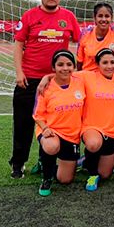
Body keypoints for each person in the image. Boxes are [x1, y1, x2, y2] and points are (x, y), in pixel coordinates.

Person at [10, 0, 80, 179]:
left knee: (56, 123)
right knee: (23, 123)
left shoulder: (68, 16)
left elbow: (80, 42)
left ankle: (45, 159)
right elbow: (18, 44)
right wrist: (19, 72)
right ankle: (18, 163)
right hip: (29, 79)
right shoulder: (30, 16)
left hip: (57, 82)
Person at [37, 47, 114, 192]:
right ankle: (87, 172)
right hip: (92, 128)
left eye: (112, 62)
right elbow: (64, 72)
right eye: (104, 62)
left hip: (113, 132)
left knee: (105, 174)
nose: (109, 66)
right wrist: (46, 77)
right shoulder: (87, 76)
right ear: (97, 65)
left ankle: (84, 162)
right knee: (93, 144)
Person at [32, 50, 85, 196]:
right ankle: (46, 177)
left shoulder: (80, 81)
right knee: (51, 146)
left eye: (69, 64)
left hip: (72, 135)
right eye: (60, 64)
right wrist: (45, 128)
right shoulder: (46, 88)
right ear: (53, 67)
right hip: (51, 130)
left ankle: (46, 163)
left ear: (74, 67)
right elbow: (36, 115)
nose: (65, 68)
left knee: (65, 179)